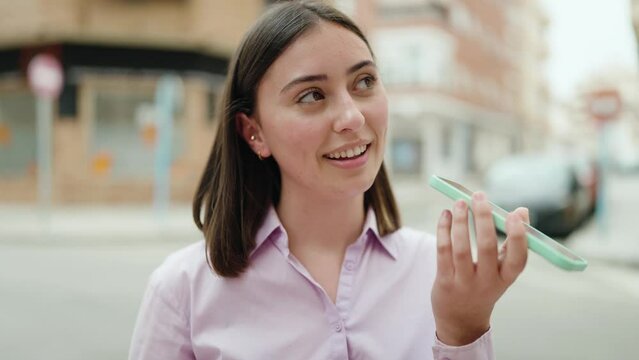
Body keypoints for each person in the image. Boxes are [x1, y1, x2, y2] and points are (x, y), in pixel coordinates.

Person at [129, 1, 530, 359]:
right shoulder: (182, 290)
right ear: (254, 132)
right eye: (311, 96)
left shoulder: (440, 275)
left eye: (365, 82)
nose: (353, 117)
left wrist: (462, 333)